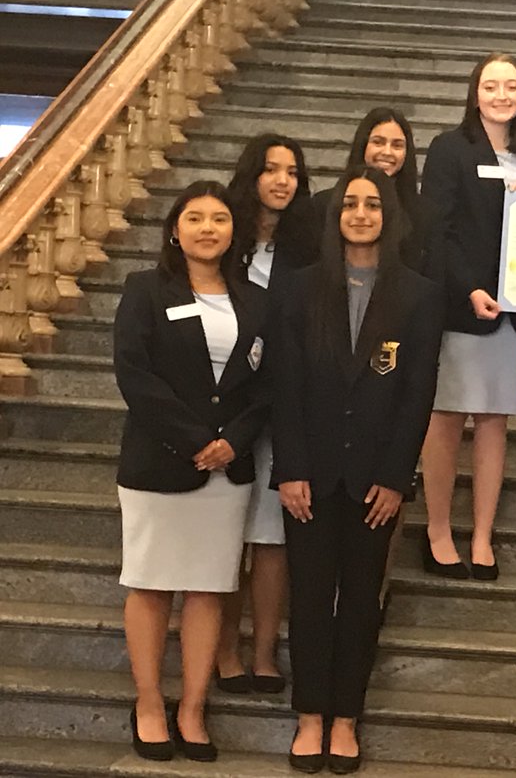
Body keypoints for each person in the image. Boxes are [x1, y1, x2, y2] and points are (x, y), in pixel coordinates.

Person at [271, 167, 443, 774]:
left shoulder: (419, 294)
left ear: (389, 216)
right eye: (350, 203)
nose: (361, 213)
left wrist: (398, 477)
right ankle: (310, 715)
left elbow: (417, 393)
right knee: (312, 598)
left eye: (373, 204)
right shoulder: (296, 290)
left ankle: (346, 718)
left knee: (362, 601)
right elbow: (283, 387)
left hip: (377, 481)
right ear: (334, 214)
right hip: (308, 478)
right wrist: (289, 468)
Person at [113, 180, 271, 763]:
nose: (209, 228)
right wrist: (195, 440)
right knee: (151, 585)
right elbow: (135, 375)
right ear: (175, 230)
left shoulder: (256, 299)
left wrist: (233, 441)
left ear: (234, 232)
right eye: (196, 218)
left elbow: (269, 383)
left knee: (209, 588)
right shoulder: (145, 290)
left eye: (220, 219)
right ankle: (151, 704)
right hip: (159, 462)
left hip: (228, 469)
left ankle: (193, 708)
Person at [420, 52, 516, 581]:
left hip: (512, 312)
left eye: (512, 86)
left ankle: (481, 535)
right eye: (492, 85)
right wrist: (469, 288)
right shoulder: (450, 150)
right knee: (447, 419)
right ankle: (437, 531)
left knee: (495, 423)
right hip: (460, 309)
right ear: (475, 93)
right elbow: (437, 232)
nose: (502, 95)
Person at [216, 133, 319, 697]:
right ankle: (225, 649)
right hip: (227, 410)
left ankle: (263, 652)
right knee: (228, 534)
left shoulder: (308, 248)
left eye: (293, 172)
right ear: (251, 173)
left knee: (272, 535)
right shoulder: (222, 241)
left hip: (286, 404)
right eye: (271, 169)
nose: (282, 180)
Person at [313, 107, 425, 269]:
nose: (387, 152)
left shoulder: (426, 215)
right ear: (363, 145)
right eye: (378, 142)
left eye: (397, 145)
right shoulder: (323, 204)